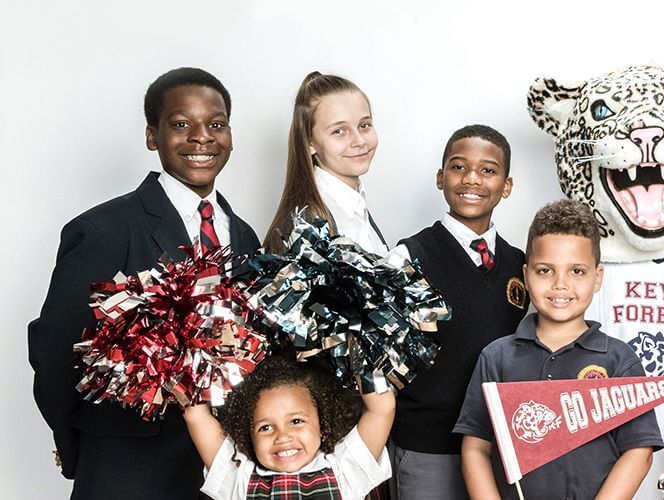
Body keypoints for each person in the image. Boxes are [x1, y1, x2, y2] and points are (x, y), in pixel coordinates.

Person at [27, 67, 261, 499]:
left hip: (223, 471)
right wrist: (82, 443)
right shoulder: (103, 231)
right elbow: (55, 351)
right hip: (127, 467)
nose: (201, 137)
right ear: (153, 136)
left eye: (216, 124)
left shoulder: (244, 236)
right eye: (181, 124)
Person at [452, 200, 663, 499]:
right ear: (526, 275)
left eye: (576, 271)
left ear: (597, 278)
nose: (560, 284)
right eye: (545, 271)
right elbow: (475, 448)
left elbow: (639, 452)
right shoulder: (496, 357)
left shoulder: (619, 361)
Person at [390, 125, 528, 500]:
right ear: (441, 177)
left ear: (507, 185)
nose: (472, 179)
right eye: (458, 166)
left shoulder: (522, 266)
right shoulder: (408, 258)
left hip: (498, 448)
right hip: (428, 447)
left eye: (488, 170)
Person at [183, 355, 395, 499]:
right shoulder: (237, 476)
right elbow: (196, 415)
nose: (282, 436)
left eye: (296, 421)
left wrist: (357, 337)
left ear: (322, 424)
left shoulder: (346, 469)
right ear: (249, 434)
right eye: (265, 427)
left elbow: (381, 408)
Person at [265, 71, 389, 255]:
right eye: (339, 130)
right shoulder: (308, 227)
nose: (359, 141)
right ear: (309, 142)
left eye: (364, 125)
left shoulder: (355, 206)